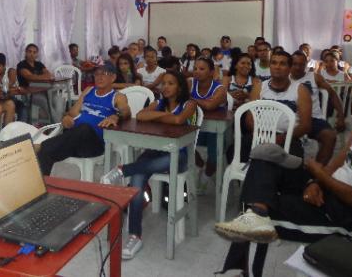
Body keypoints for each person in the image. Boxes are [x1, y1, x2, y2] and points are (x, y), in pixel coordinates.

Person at [215, 80, 352, 277]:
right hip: (328, 193)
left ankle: (249, 236)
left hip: (345, 216)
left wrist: (318, 175)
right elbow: (334, 166)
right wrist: (314, 182)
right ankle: (258, 211)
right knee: (264, 153)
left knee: (258, 216)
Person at [100, 70, 197, 260]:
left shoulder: (189, 104)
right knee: (137, 179)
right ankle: (135, 236)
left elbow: (178, 119)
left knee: (163, 161)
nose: (165, 87)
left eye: (171, 83)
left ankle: (122, 170)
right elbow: (141, 116)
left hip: (180, 155)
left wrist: (157, 115)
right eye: (164, 83)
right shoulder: (158, 102)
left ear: (180, 87)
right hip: (155, 151)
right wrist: (161, 115)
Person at [37, 65, 131, 175]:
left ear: (113, 78)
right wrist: (66, 118)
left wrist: (116, 116)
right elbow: (72, 113)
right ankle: (43, 184)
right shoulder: (89, 91)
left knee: (84, 128)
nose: (99, 77)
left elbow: (127, 113)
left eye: (104, 74)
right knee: (46, 153)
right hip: (74, 139)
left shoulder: (117, 96)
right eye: (97, 74)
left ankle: (41, 146)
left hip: (94, 144)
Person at [247, 51, 312, 159]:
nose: (277, 67)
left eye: (282, 64)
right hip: (260, 135)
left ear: (290, 68)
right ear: (270, 66)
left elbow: (305, 125)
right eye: (274, 63)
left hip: (289, 138)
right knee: (235, 150)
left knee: (269, 159)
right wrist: (261, 135)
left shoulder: (301, 90)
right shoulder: (259, 88)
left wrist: (282, 138)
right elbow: (249, 119)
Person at [290, 51, 345, 164]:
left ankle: (316, 173)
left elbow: (333, 94)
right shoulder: (284, 78)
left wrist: (341, 116)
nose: (298, 67)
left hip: (313, 119)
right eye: (294, 63)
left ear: (306, 64)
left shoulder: (314, 77)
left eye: (301, 64)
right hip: (290, 118)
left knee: (330, 136)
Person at [189, 57, 227, 189]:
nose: (197, 71)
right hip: (195, 127)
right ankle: (199, 165)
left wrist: (190, 98)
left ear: (211, 72)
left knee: (213, 158)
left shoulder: (220, 89)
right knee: (185, 146)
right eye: (195, 68)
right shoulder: (190, 83)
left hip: (216, 129)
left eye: (201, 69)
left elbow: (210, 106)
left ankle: (206, 176)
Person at [16, 43, 55, 121]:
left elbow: (49, 74)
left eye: (34, 52)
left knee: (59, 100)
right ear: (26, 53)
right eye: (30, 52)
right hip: (30, 93)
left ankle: (54, 123)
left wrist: (40, 78)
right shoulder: (21, 65)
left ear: (37, 54)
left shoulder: (39, 64)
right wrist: (44, 78)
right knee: (47, 103)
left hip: (44, 91)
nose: (32, 54)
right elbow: (30, 77)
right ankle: (56, 124)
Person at [0, 53, 26, 120]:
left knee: (22, 108)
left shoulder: (11, 71)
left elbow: (8, 85)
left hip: (11, 98)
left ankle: (20, 129)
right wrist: (11, 89)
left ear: (4, 66)